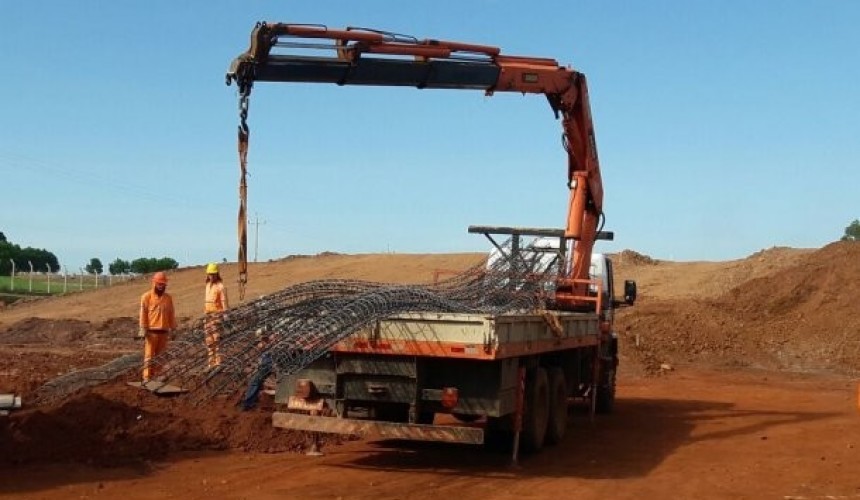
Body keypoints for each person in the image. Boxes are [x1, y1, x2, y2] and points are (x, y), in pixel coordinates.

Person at [139, 271, 177, 383]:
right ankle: (146, 378)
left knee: (160, 357)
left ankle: (157, 376)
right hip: (151, 332)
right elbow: (143, 313)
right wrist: (142, 328)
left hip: (164, 332)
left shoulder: (168, 298)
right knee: (149, 356)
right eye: (159, 284)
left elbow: (171, 314)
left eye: (163, 284)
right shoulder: (146, 297)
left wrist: (174, 328)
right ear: (154, 283)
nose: (161, 286)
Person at [240, 329, 274, 411]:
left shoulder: (270, 342)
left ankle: (247, 404)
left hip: (267, 366)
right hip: (265, 365)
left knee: (254, 382)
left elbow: (264, 347)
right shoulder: (266, 343)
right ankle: (254, 401)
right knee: (257, 382)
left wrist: (265, 341)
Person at [204, 263, 229, 368]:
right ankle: (211, 363)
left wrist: (226, 315)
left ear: (217, 274)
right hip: (207, 316)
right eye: (210, 274)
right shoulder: (207, 285)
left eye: (213, 274)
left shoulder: (221, 287)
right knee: (209, 342)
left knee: (217, 340)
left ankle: (218, 363)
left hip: (216, 317)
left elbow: (224, 302)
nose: (211, 276)